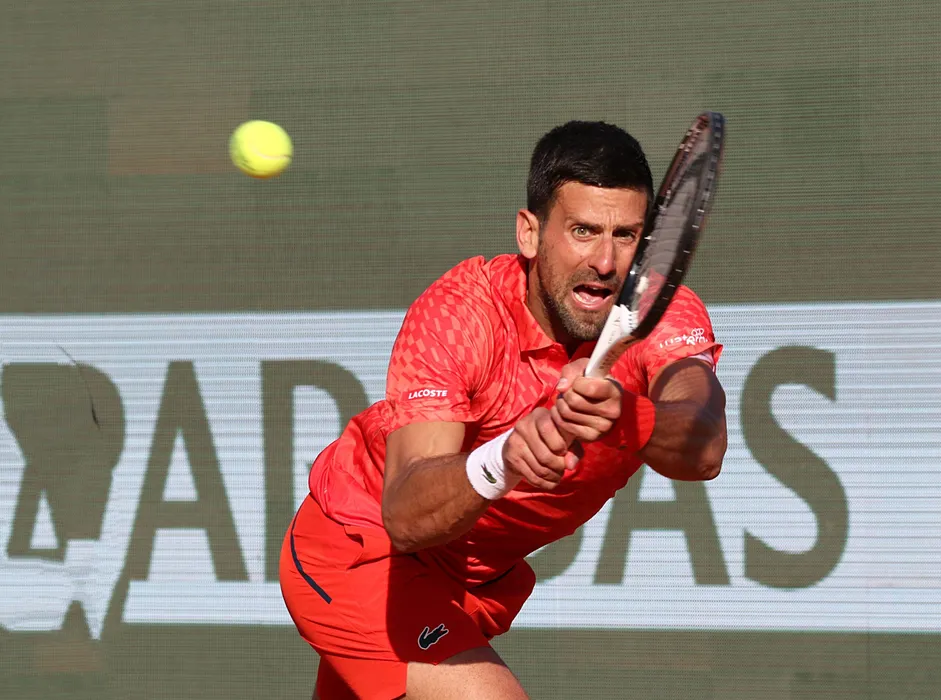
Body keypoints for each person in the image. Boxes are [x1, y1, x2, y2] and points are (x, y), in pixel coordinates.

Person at [280, 120, 727, 700]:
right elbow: (406, 514)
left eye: (626, 236)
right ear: (530, 233)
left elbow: (704, 444)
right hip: (362, 551)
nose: (605, 260)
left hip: (470, 582)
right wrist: (504, 458)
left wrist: (626, 416)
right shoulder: (460, 314)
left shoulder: (662, 315)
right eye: (583, 231)